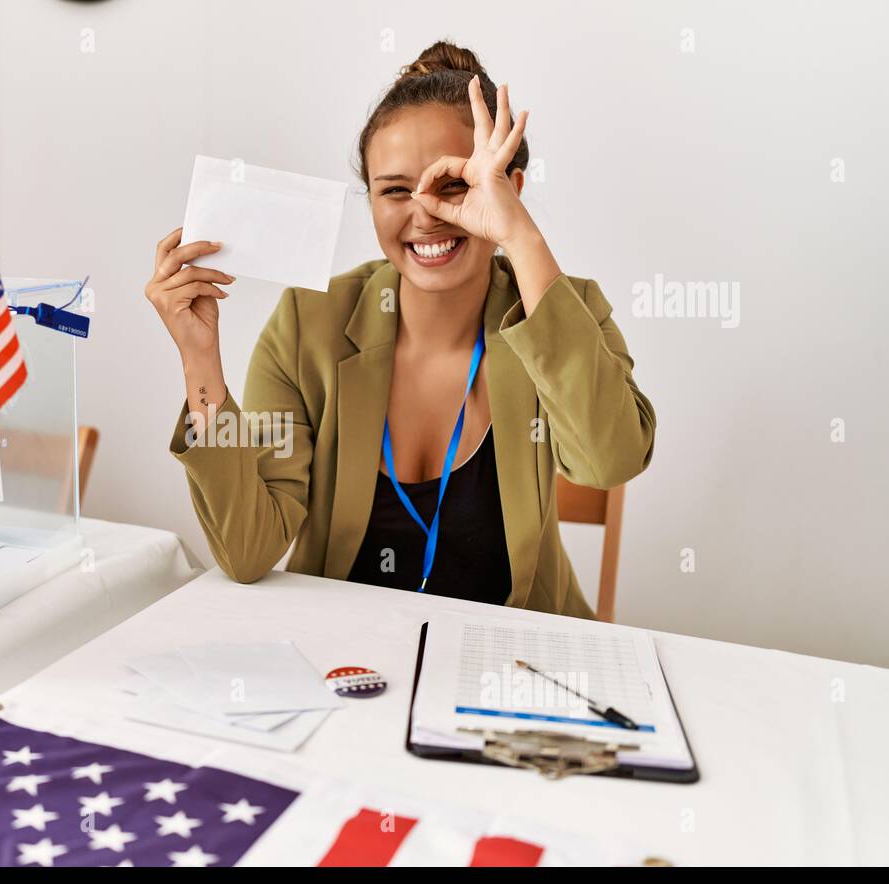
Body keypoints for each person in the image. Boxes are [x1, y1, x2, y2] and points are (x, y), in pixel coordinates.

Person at [144, 40, 655, 618]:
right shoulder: (308, 325)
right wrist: (199, 360)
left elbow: (609, 462)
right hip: (347, 664)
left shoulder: (562, 311)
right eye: (393, 189)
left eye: (455, 183)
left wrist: (523, 238)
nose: (424, 213)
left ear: (509, 189)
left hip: (512, 669)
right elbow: (247, 550)